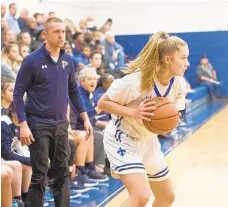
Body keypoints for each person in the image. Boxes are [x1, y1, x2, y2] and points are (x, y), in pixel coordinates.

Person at [97, 31, 189, 207]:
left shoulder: (178, 84)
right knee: (140, 196)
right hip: (122, 139)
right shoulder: (136, 81)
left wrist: (169, 122)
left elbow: (172, 115)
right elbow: (103, 103)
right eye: (183, 58)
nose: (187, 63)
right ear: (168, 59)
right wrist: (134, 113)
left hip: (148, 141)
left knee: (167, 198)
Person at [13, 17, 93, 207]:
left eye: (63, 31)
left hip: (60, 125)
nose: (61, 35)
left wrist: (85, 117)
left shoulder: (67, 60)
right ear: (45, 35)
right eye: (56, 31)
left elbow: (73, 91)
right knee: (40, 175)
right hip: (38, 125)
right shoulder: (31, 61)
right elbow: (17, 93)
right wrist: (23, 125)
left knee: (61, 173)